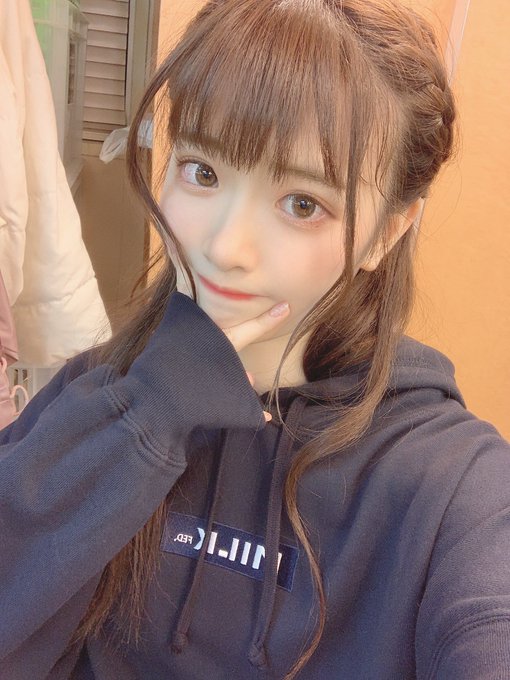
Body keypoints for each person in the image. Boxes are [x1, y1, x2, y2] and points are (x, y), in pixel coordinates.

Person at [1, 0, 509, 678]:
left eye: (302, 204)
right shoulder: (97, 396)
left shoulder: (450, 482)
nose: (223, 247)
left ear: (387, 232)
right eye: (202, 172)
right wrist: (147, 418)